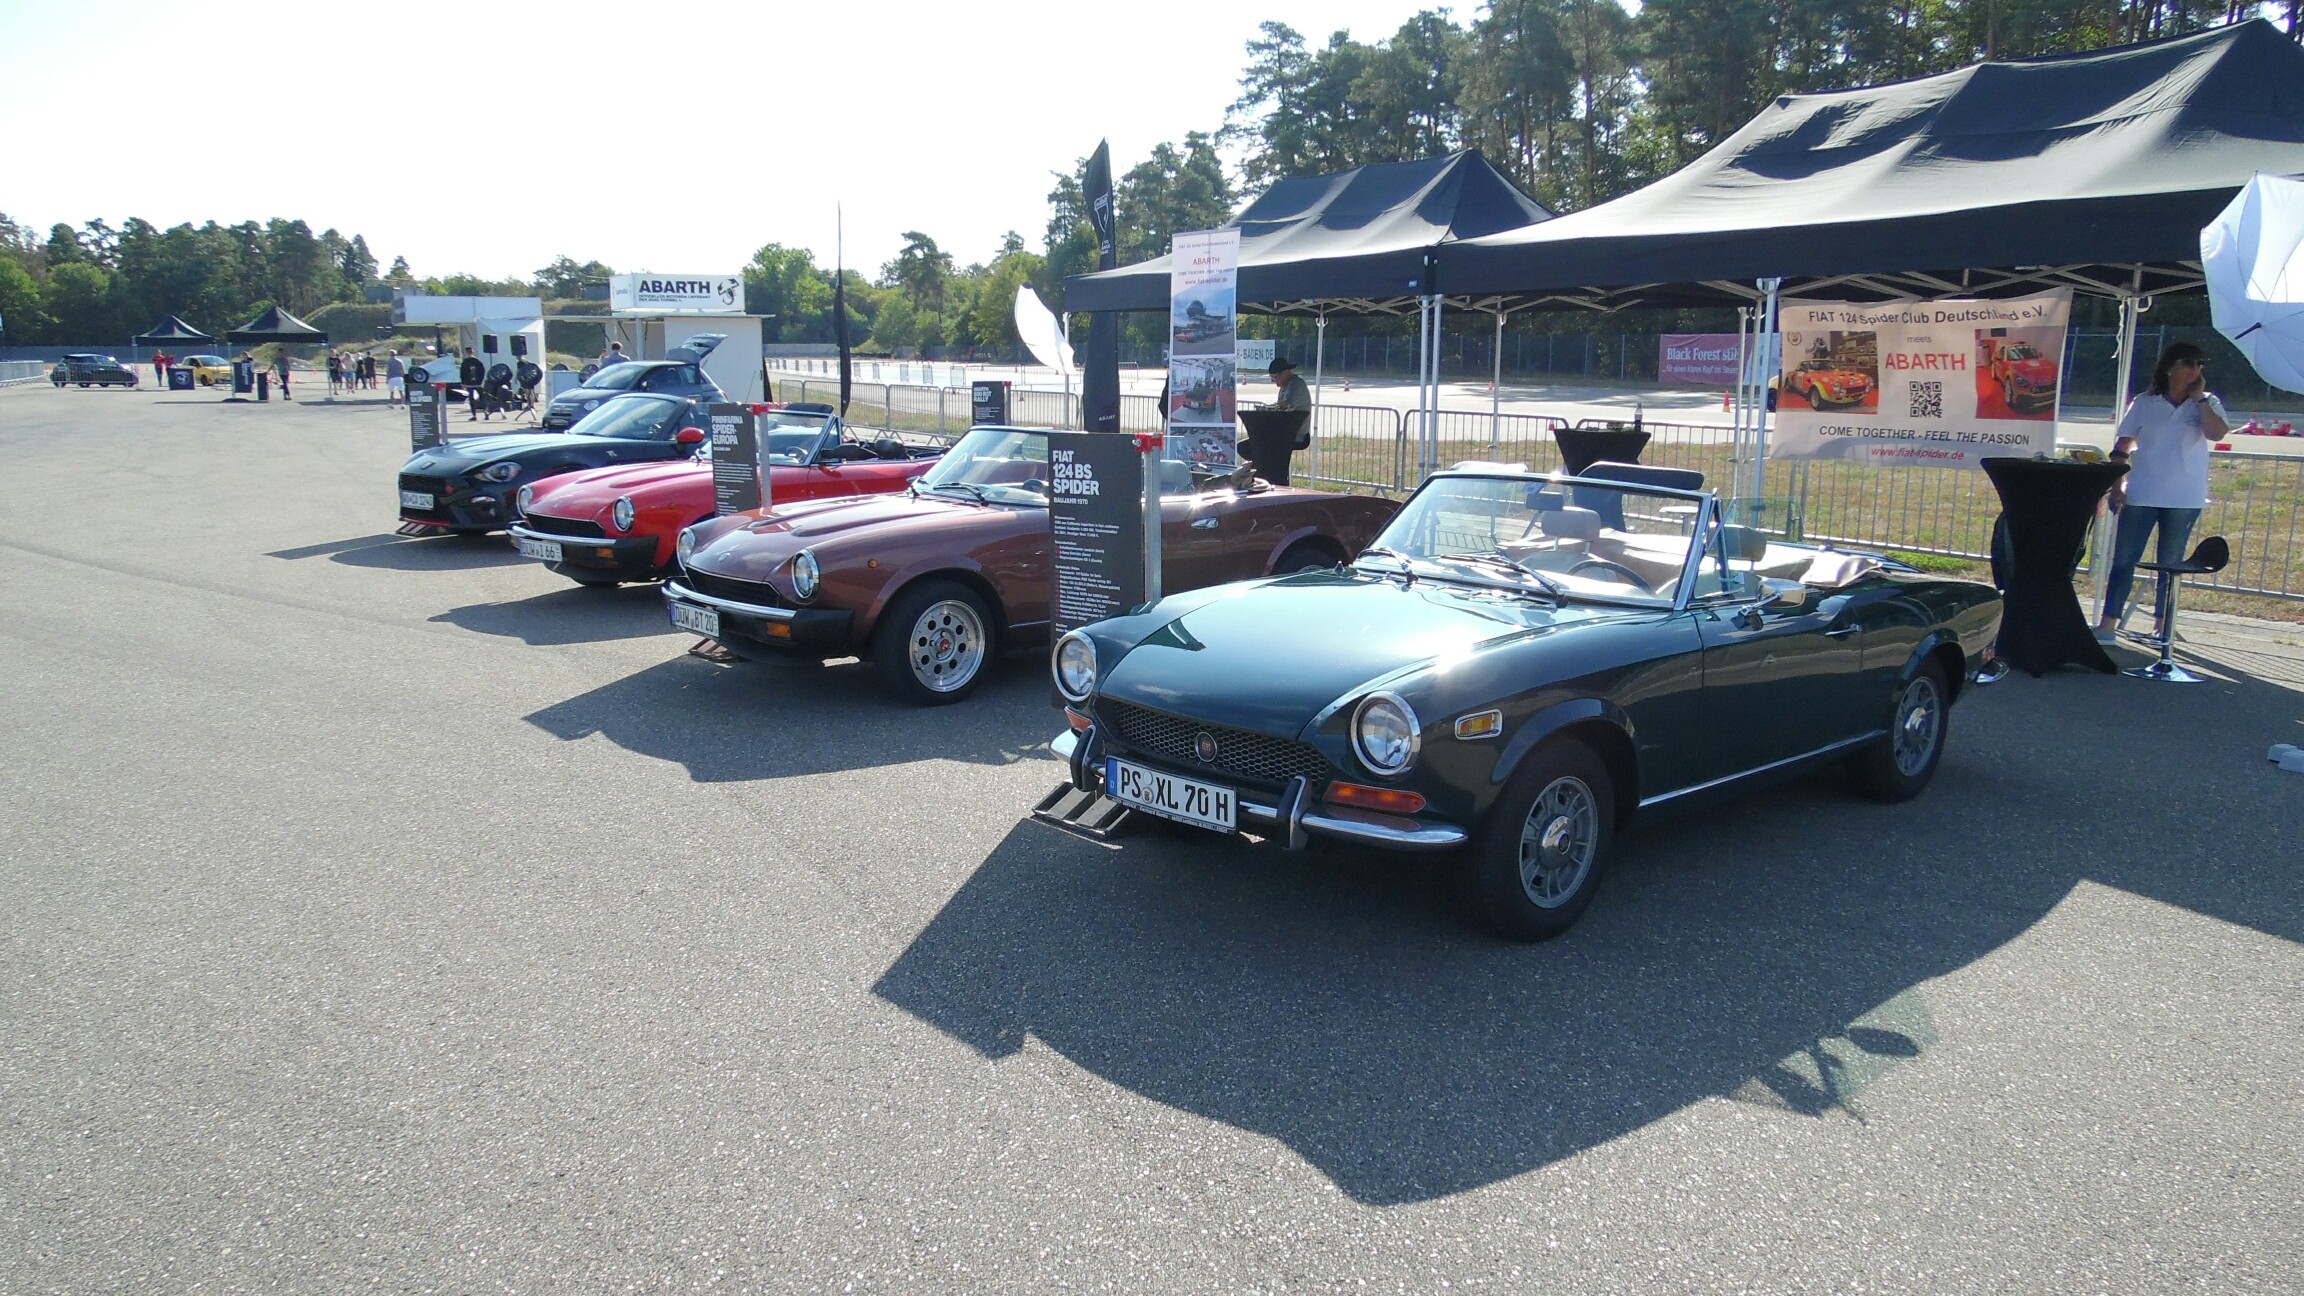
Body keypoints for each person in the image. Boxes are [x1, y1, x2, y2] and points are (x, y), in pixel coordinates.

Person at [2096, 341, 2226, 644]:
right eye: (2188, 363)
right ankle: (2108, 624)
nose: (2195, 369)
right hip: (2141, 494)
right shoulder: (2145, 402)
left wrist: (2200, 399)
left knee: (2171, 564)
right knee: (2124, 560)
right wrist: (2116, 487)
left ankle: (2163, 624)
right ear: (2170, 367)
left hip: (2184, 498)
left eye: (2199, 364)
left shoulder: (2208, 402)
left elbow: (2217, 433)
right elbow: (2122, 448)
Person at [459, 347, 487, 421]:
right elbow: (482, 371)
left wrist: (463, 382)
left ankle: (474, 415)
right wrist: (481, 380)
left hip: (469, 383)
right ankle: (486, 413)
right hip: (478, 383)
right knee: (482, 398)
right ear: (473, 352)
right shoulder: (478, 361)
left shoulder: (465, 362)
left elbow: (462, 373)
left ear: (466, 352)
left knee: (471, 399)